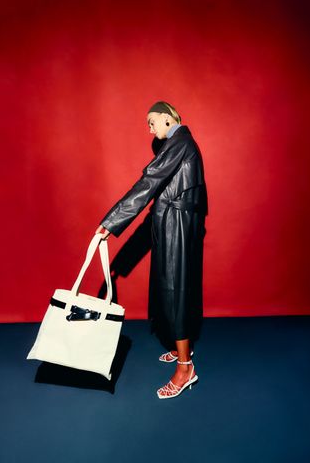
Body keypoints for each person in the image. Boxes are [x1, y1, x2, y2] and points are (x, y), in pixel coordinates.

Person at [95, 101, 207, 399]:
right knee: (168, 288)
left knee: (175, 290)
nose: (149, 128)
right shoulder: (178, 143)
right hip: (170, 223)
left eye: (152, 121)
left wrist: (111, 221)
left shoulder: (180, 142)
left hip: (176, 225)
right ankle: (177, 346)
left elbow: (148, 183)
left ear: (169, 119)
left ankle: (186, 368)